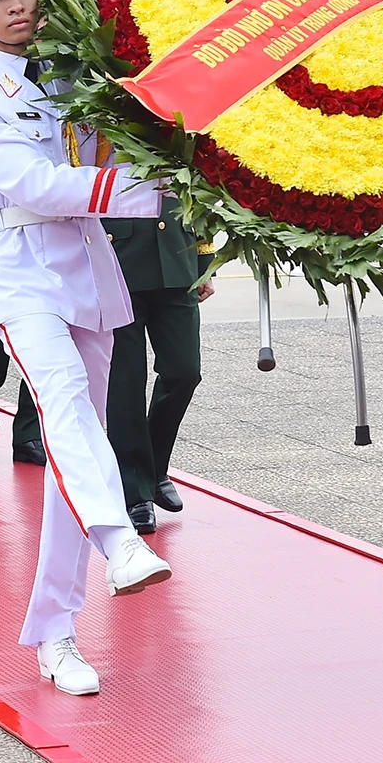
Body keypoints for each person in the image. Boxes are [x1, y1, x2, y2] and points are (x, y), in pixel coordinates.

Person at [0, 0, 170, 698]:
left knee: (82, 448)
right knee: (66, 409)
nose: (15, 7)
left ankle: (56, 632)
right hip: (21, 267)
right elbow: (36, 187)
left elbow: (118, 146)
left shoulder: (83, 74)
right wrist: (154, 195)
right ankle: (121, 540)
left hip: (88, 266)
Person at [104, 197, 213, 534]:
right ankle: (135, 491)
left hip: (176, 256)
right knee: (126, 382)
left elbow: (198, 189)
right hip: (118, 262)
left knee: (184, 372)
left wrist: (205, 261)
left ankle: (152, 468)